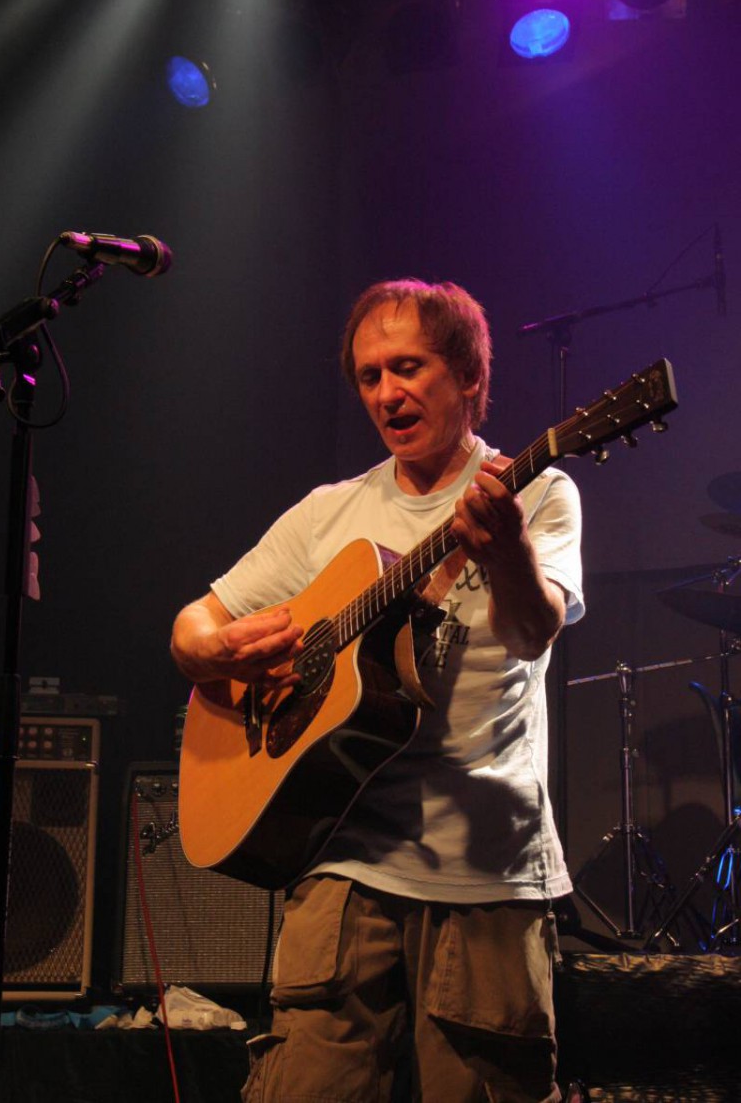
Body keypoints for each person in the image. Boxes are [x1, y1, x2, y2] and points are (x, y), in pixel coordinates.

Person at [170, 278, 584, 1103]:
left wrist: (506, 550)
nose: (387, 393)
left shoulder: (537, 491)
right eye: (369, 375)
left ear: (470, 376)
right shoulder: (330, 512)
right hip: (343, 861)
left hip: (485, 875)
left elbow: (534, 631)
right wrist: (220, 651)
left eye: (408, 367)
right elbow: (191, 625)